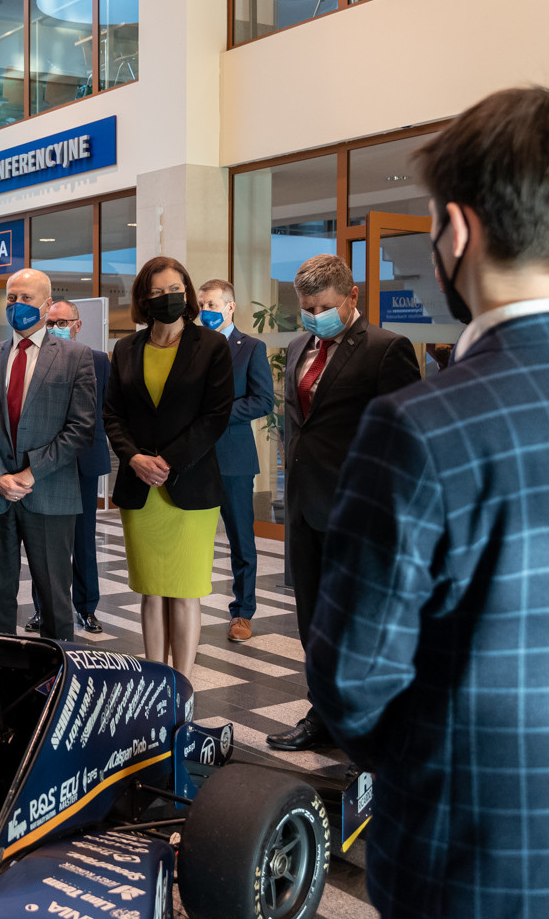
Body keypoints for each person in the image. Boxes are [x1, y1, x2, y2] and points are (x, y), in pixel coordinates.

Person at [306, 87, 549, 919]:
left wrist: (439, 753)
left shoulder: (418, 424)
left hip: (467, 851)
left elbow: (352, 680)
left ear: (457, 231)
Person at [265, 253, 420, 752]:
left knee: (360, 628)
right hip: (305, 507)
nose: (315, 316)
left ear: (353, 296)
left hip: (359, 515)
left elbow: (407, 439)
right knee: (314, 623)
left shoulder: (386, 349)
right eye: (307, 308)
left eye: (324, 307)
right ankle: (324, 715)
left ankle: (369, 732)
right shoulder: (298, 347)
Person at [103, 257, 232, 673]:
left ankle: (183, 685)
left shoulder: (211, 346)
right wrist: (135, 458)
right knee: (151, 590)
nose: (167, 298)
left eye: (175, 289)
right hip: (140, 487)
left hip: (190, 485)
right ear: (144, 299)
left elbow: (215, 416)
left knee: (186, 590)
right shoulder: (125, 349)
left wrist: (168, 461)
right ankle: (156, 680)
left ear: (187, 292)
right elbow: (112, 415)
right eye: (157, 292)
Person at [0, 268, 96, 642]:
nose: (16, 304)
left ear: (47, 304)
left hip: (49, 493)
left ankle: (58, 670)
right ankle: (0, 670)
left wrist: (30, 474)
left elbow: (81, 428)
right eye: (11, 297)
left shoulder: (76, 357)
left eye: (26, 298)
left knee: (54, 599)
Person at [25, 299, 109, 635]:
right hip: (46, 461)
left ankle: (86, 608)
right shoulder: (35, 358)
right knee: (44, 541)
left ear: (77, 325)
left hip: (83, 460)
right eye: (51, 322)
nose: (56, 327)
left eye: (63, 322)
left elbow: (108, 409)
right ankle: (42, 608)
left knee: (84, 539)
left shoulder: (99, 360)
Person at [196, 279, 272, 643]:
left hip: (233, 459)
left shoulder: (251, 348)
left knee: (241, 539)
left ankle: (242, 612)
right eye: (202, 305)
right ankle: (184, 606)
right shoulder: (190, 346)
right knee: (191, 537)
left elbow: (263, 400)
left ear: (230, 307)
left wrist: (217, 414)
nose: (205, 311)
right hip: (193, 458)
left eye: (212, 305)